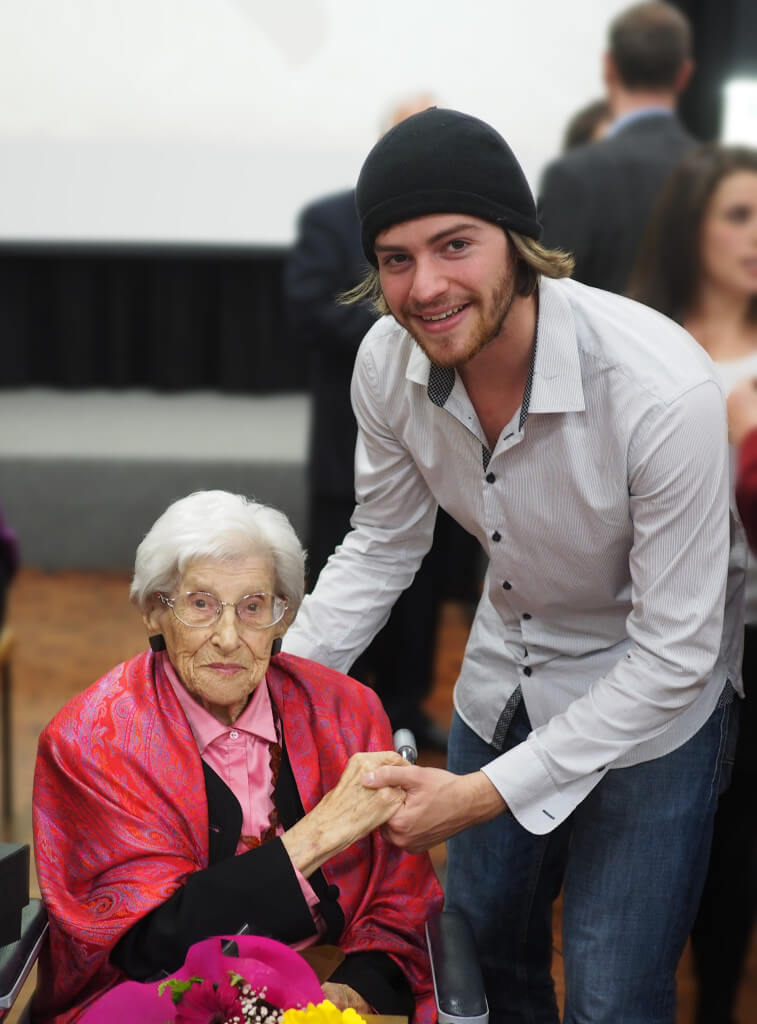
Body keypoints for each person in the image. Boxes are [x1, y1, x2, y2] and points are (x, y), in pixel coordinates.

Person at [282, 106, 743, 1024]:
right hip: (508, 675)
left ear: (518, 241)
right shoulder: (386, 360)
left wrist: (480, 795)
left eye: (455, 245)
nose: (424, 287)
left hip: (653, 709)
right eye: (396, 258)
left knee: (611, 995)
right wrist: (276, 697)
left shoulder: (660, 392)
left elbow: (672, 656)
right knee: (481, 969)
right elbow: (383, 541)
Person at [31, 490, 443, 1024]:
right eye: (201, 605)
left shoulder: (345, 712)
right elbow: (145, 948)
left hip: (327, 985)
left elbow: (399, 907)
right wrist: (319, 834)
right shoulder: (93, 741)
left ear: (282, 619)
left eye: (253, 608)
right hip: (160, 1001)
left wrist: (347, 997)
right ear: (155, 611)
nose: (228, 638)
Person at [284, 93, 479, 750]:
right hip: (350, 442)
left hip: (441, 439)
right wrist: (401, 333)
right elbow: (308, 309)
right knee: (350, 570)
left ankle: (402, 706)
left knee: (421, 594)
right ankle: (334, 714)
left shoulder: (469, 232)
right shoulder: (329, 218)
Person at [629, 143, 757, 1024]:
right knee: (665, 843)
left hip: (754, 634)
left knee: (742, 834)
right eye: (738, 215)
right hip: (654, 636)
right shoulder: (641, 345)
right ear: (691, 227)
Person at [538, 1, 696, 294]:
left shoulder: (573, 175)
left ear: (609, 67)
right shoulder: (713, 173)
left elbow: (546, 298)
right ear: (684, 74)